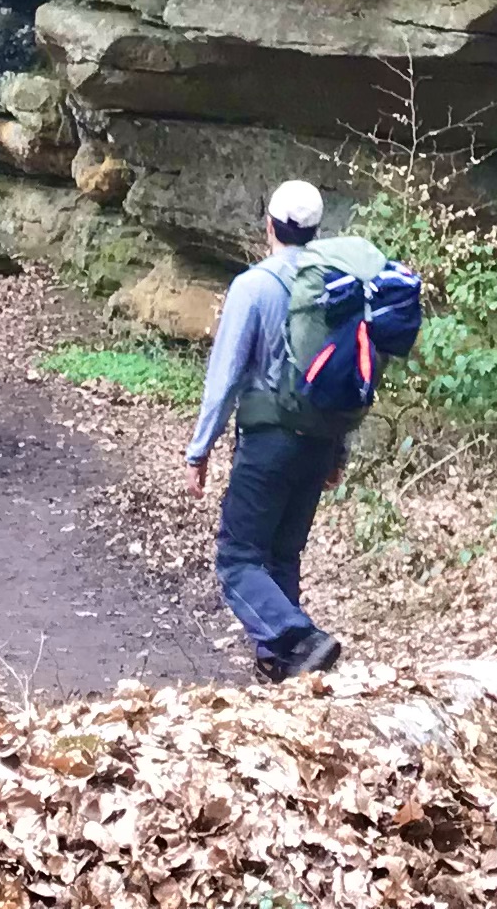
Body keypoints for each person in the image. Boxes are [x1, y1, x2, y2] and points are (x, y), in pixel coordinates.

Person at [186, 177, 349, 679]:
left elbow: (227, 373)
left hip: (269, 441)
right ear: (316, 231)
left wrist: (199, 449)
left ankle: (304, 639)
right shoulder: (336, 288)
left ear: (269, 227)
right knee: (281, 555)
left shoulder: (254, 286)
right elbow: (346, 374)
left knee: (238, 561)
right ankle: (286, 669)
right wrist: (339, 451)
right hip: (320, 439)